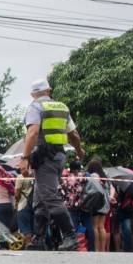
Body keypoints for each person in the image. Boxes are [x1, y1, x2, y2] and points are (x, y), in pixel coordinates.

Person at [18, 79, 85, 252]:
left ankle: (70, 236)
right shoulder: (62, 107)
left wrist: (25, 157)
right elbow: (74, 134)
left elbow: (32, 133)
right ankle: (39, 239)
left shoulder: (35, 107)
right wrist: (79, 151)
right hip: (59, 155)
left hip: (44, 156)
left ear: (33, 94)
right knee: (40, 198)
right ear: (48, 90)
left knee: (48, 195)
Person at [60, 160, 92, 251]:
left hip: (71, 206)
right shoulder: (85, 176)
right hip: (84, 204)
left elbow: (61, 189)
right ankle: (91, 247)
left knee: (73, 226)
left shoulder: (67, 177)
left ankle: (75, 246)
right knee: (88, 226)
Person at [85, 158, 111, 252]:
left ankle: (96, 249)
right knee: (102, 226)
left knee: (95, 226)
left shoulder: (92, 176)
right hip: (105, 203)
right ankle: (103, 249)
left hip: (96, 203)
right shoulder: (104, 177)